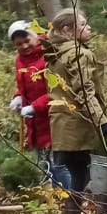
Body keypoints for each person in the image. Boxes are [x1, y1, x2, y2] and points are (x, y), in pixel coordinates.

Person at [47, 8, 107, 214]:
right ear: (68, 30)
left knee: (78, 180)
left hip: (64, 127)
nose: (89, 28)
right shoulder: (77, 54)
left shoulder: (55, 53)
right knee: (106, 176)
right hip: (82, 126)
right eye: (83, 25)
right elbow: (84, 92)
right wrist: (103, 123)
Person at [8, 20, 70, 192]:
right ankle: (50, 203)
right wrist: (18, 97)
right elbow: (24, 88)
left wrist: (35, 107)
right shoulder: (20, 61)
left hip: (54, 118)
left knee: (58, 163)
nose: (24, 46)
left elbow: (58, 90)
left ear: (35, 36)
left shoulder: (49, 55)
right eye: (19, 44)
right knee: (42, 164)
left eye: (27, 40)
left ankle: (70, 199)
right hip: (34, 124)